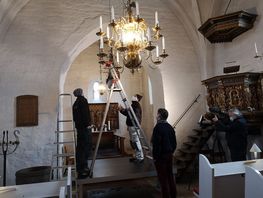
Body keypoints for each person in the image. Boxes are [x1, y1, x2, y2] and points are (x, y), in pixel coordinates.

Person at [151, 108, 177, 198]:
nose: (156, 115)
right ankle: (173, 195)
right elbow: (174, 143)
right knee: (170, 177)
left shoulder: (157, 128)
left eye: (157, 113)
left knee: (163, 179)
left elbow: (156, 145)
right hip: (169, 155)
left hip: (161, 157)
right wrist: (171, 151)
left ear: (159, 116)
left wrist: (155, 157)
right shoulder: (170, 127)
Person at [72, 88, 92, 179]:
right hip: (84, 128)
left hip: (79, 128)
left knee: (80, 147)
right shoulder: (83, 100)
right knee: (85, 146)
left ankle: (79, 167)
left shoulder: (75, 103)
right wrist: (88, 124)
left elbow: (75, 117)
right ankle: (84, 168)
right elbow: (85, 113)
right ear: (81, 93)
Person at [119, 94, 144, 163]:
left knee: (136, 142)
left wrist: (122, 110)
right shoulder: (134, 105)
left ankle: (140, 157)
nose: (133, 96)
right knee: (133, 142)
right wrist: (122, 110)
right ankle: (136, 156)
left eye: (134, 96)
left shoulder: (136, 106)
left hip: (134, 127)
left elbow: (131, 114)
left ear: (136, 99)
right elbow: (129, 113)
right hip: (132, 126)